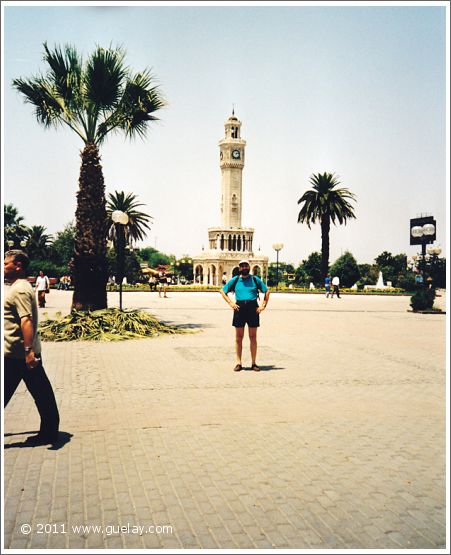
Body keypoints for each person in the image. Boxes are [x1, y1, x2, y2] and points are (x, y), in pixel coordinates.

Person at [4, 250, 60, 445]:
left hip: (18, 355)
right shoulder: (20, 286)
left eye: (6, 263)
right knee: (42, 393)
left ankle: (50, 433)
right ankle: (50, 432)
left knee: (40, 393)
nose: (3, 267)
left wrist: (28, 353)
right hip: (20, 353)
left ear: (18, 265)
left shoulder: (19, 289)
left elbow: (25, 320)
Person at [220, 260, 270, 372]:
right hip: (239, 308)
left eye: (246, 266)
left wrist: (263, 305)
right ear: (239, 268)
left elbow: (267, 291)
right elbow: (222, 291)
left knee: (253, 337)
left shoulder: (255, 279)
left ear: (249, 267)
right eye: (242, 266)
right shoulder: (236, 280)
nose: (244, 268)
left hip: (253, 308)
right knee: (238, 338)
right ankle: (238, 362)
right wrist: (231, 303)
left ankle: (253, 363)